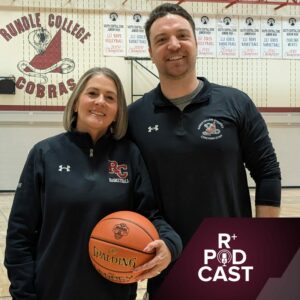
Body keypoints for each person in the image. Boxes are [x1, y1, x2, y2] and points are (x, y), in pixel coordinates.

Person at [127, 3, 281, 299]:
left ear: (197, 42)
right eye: (161, 39)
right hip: (168, 263)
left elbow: (268, 173)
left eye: (182, 35)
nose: (174, 45)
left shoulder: (236, 103)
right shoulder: (134, 118)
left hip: (232, 260)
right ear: (149, 50)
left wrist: (265, 249)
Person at [4, 67, 182, 300]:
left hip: (112, 293)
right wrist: (23, 294)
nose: (100, 102)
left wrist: (170, 243)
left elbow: (150, 214)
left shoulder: (129, 155)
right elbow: (20, 234)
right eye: (92, 94)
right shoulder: (44, 153)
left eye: (110, 97)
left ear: (118, 112)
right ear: (76, 102)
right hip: (54, 291)